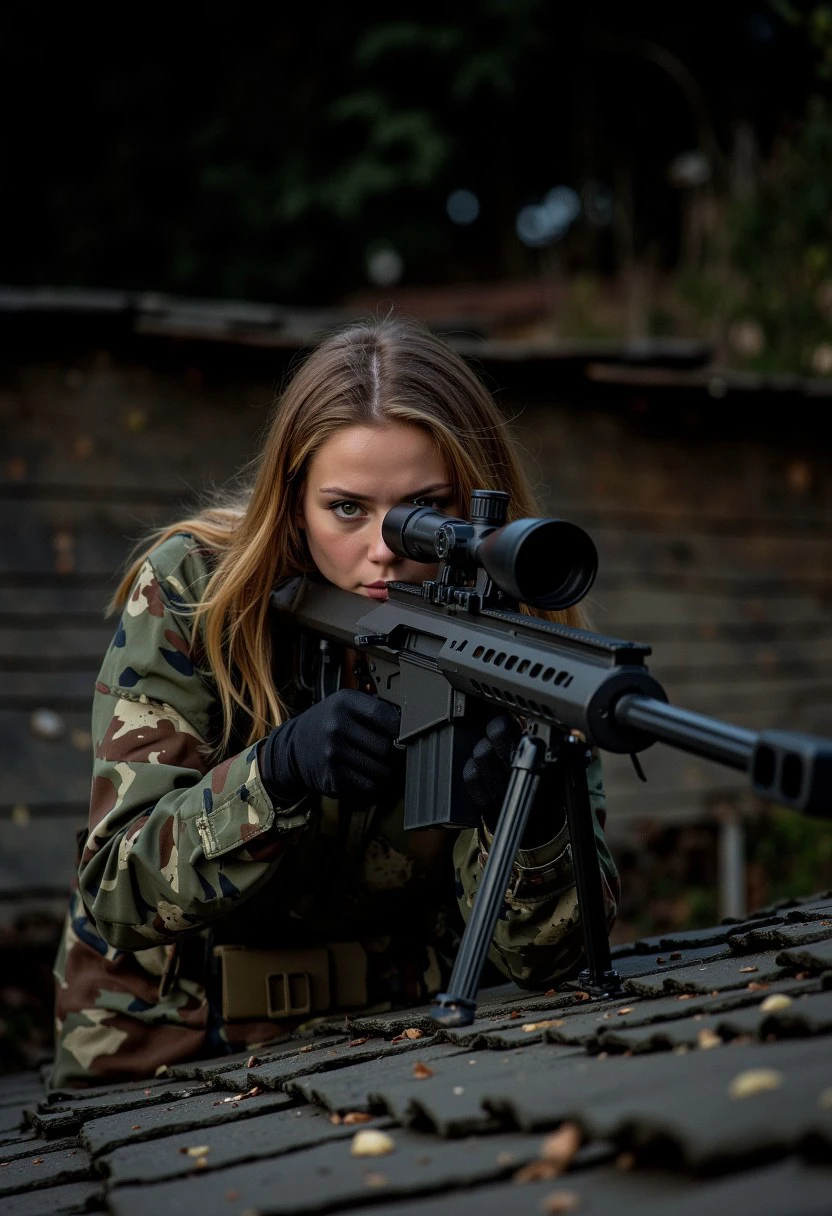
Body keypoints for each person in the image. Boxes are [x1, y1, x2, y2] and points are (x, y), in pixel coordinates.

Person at [51, 315, 620, 1088]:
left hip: (398, 1039)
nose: (386, 546)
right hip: (167, 1053)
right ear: (292, 505)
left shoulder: (513, 631)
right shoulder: (198, 592)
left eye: (428, 507)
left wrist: (534, 822)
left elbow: (553, 958)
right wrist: (274, 775)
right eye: (347, 508)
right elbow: (115, 888)